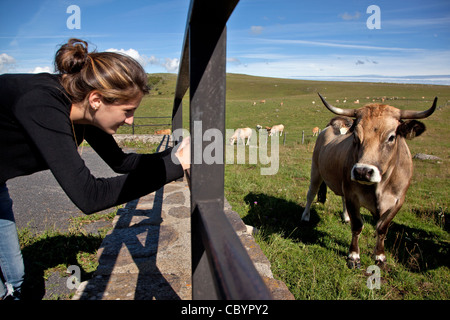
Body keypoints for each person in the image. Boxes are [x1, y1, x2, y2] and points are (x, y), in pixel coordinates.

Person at [0, 38, 190, 300]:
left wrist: (172, 156)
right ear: (97, 99)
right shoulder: (42, 103)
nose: (131, 120)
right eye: (127, 110)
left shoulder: (83, 109)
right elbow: (90, 196)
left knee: (15, 277)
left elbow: (121, 162)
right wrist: (173, 168)